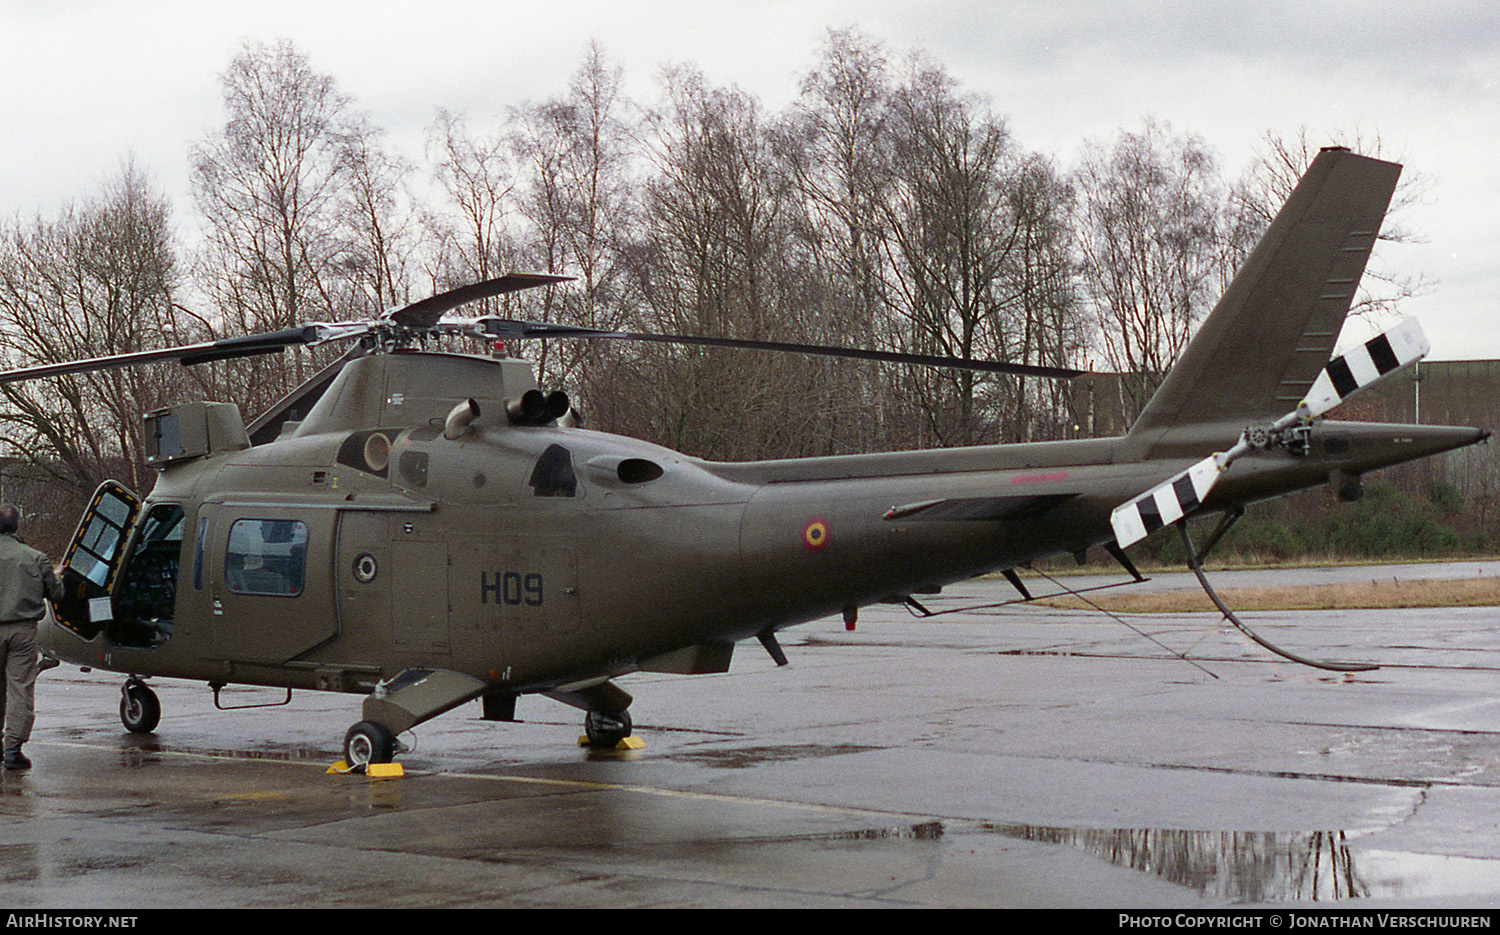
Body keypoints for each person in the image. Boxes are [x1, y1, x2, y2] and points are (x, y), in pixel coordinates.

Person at [0, 504, 63, 770]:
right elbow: (56, 594)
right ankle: (13, 749)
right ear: (17, 526)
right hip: (23, 631)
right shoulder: (36, 557)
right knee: (19, 689)